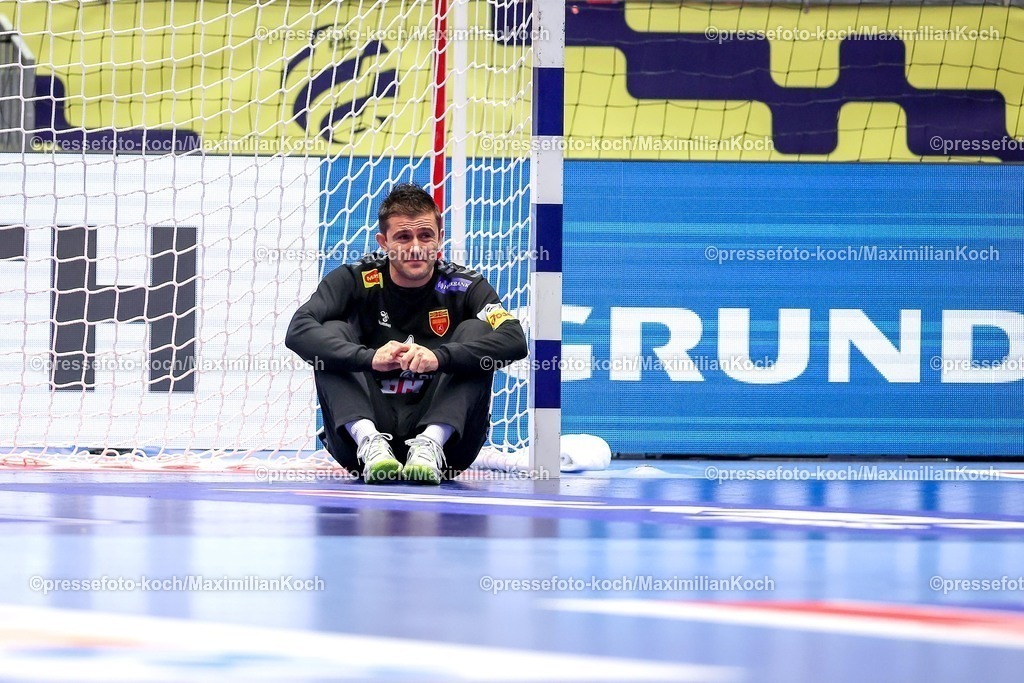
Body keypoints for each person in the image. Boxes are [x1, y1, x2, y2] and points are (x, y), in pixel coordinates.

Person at [285, 184, 528, 484]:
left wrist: (439, 358)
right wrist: (370, 358)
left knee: (477, 330)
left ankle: (431, 441)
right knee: (331, 331)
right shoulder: (354, 279)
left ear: (439, 239)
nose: (415, 246)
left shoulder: (465, 285)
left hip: (449, 451)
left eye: (425, 235)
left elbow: (515, 339)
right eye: (403, 236)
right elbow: (298, 330)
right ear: (383, 242)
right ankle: (370, 440)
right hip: (360, 448)